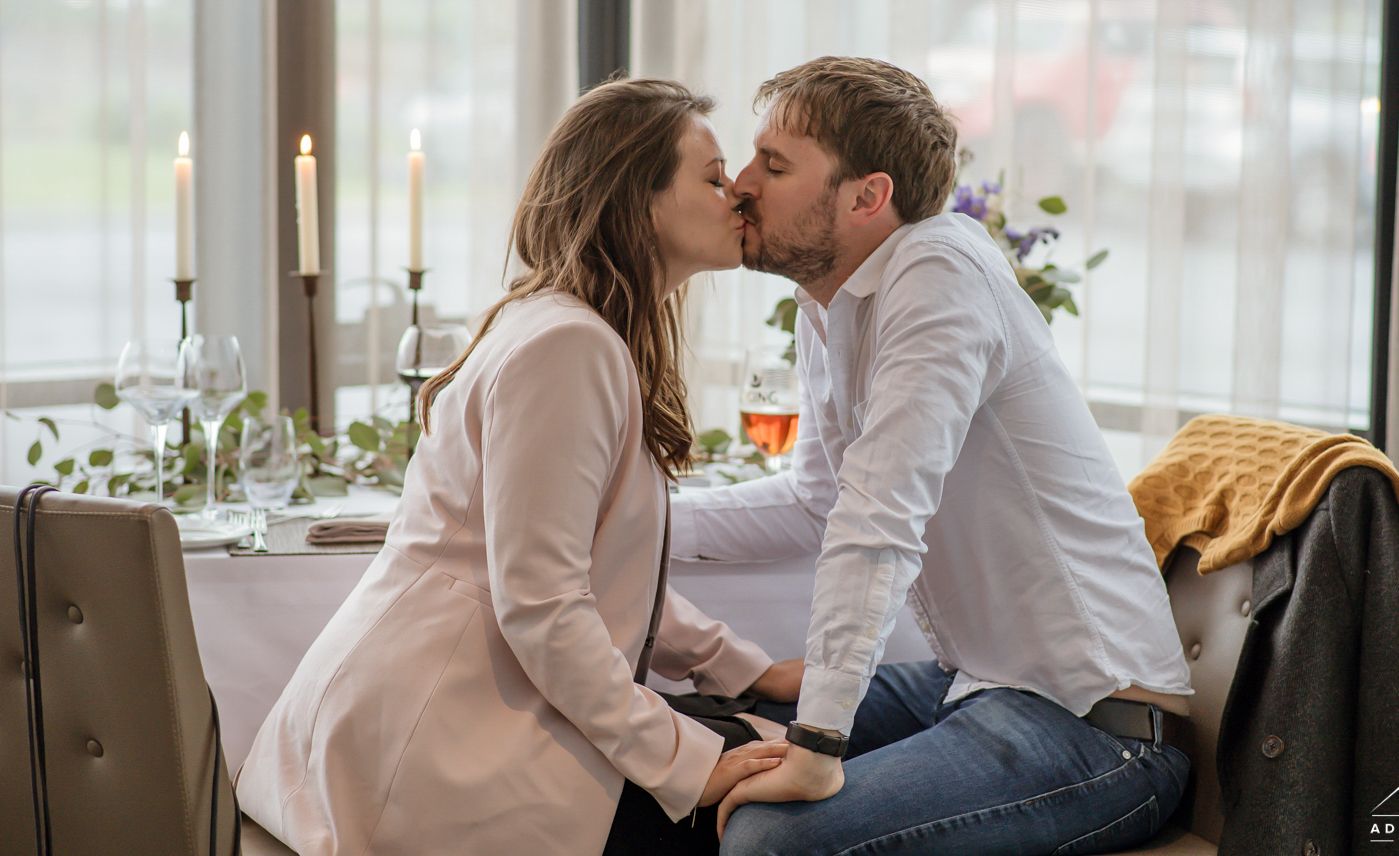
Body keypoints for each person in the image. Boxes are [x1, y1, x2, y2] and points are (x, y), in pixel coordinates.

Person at [236, 78, 800, 856]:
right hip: (437, 748)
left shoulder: (574, 331)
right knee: (779, 798)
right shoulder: (570, 347)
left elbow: (590, 571)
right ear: (637, 203)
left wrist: (741, 669)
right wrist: (688, 764)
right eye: (711, 177)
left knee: (776, 745)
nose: (736, 193)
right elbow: (545, 607)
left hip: (466, 718)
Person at [667, 57, 1195, 854]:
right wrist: (639, 521)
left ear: (866, 197)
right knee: (681, 744)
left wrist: (816, 745)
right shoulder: (827, 307)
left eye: (773, 165)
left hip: (1096, 727)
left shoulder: (938, 270)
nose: (739, 184)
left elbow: (876, 520)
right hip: (971, 687)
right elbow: (815, 503)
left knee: (771, 840)